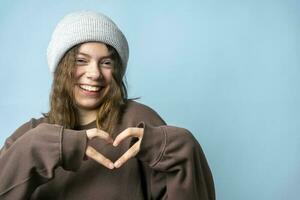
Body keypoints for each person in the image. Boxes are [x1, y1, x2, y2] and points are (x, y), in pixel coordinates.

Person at [0, 10, 215, 200]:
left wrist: (183, 148)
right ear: (60, 68)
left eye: (106, 62)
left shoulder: (140, 124)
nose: (94, 74)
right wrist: (40, 148)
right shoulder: (29, 136)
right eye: (81, 60)